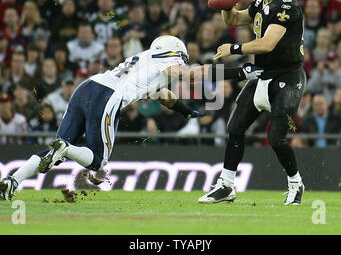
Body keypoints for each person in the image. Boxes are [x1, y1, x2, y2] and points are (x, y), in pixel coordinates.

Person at [0, 35, 263, 200]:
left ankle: (13, 181)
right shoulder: (168, 58)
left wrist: (186, 111)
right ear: (177, 52)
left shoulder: (146, 60)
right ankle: (67, 149)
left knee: (53, 151)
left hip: (87, 87)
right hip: (107, 96)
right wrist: (239, 73)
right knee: (98, 161)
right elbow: (190, 74)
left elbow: (164, 95)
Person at [199, 0, 306, 206]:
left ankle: (295, 183)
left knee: (276, 138)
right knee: (235, 128)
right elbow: (234, 20)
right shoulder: (260, 3)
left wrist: (234, 48)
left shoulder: (287, 6)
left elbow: (268, 43)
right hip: (261, 73)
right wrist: (227, 6)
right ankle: (226, 185)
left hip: (287, 76)